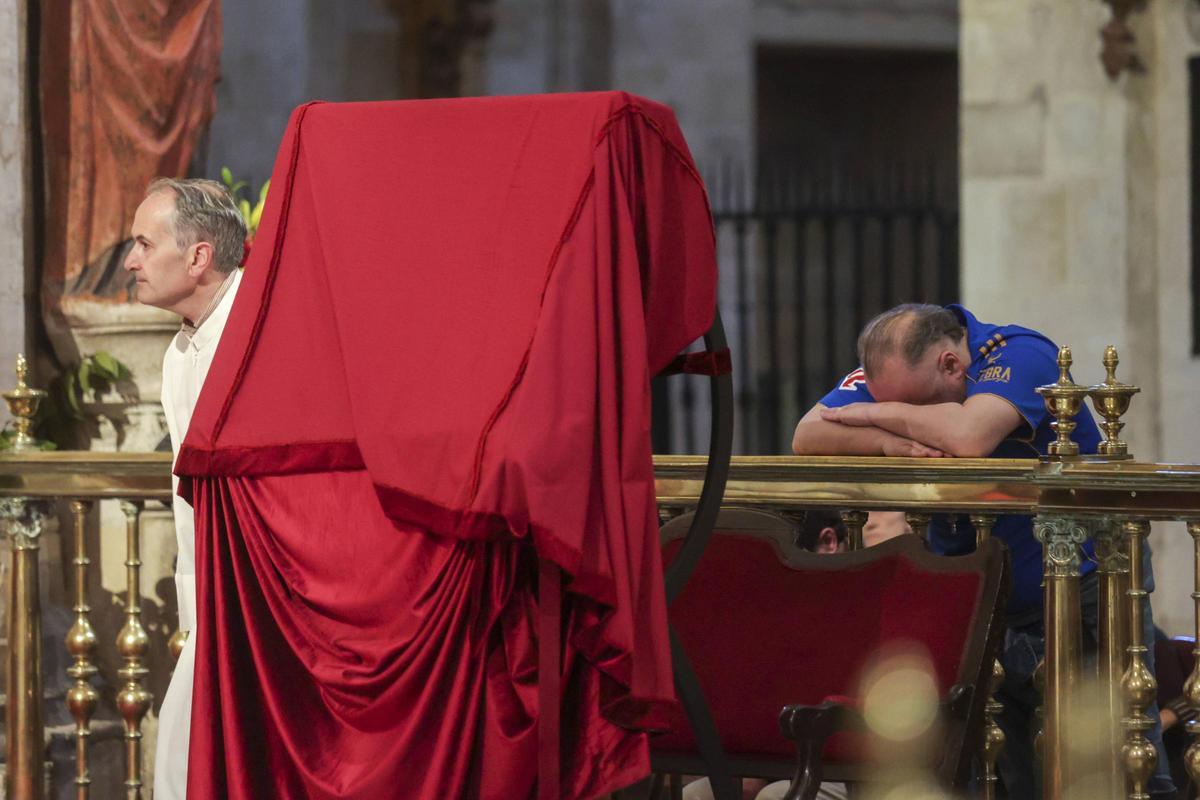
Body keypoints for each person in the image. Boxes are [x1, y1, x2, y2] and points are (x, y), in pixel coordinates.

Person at [792, 302, 1175, 798]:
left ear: (952, 365)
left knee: (1107, 761)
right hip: (984, 593)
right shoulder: (899, 367)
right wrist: (890, 444)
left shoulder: (1020, 354)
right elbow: (807, 435)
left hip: (1082, 584)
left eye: (919, 407)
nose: (908, 418)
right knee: (1004, 771)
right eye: (890, 402)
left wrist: (871, 414)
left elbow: (968, 438)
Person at [123, 177, 247, 800]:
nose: (130, 260)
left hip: (261, 616)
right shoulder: (180, 349)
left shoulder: (259, 329)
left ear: (199, 256)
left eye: (145, 243)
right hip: (210, 618)